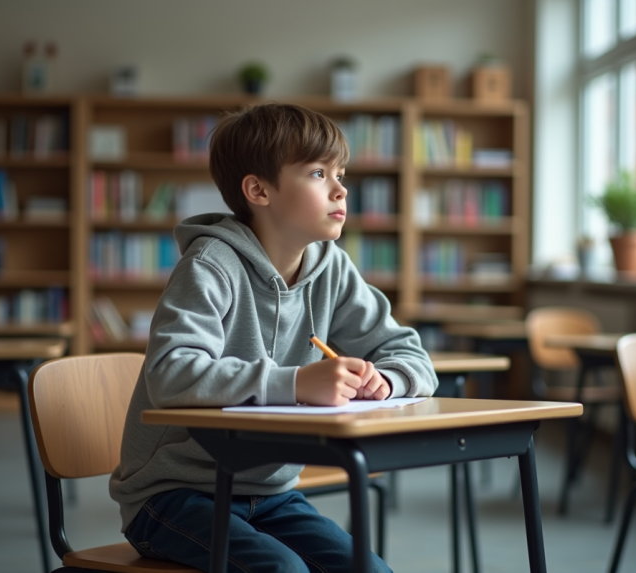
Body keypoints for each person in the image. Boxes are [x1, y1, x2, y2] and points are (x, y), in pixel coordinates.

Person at [110, 102, 438, 573]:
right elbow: (171, 373)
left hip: (269, 494)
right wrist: (298, 382)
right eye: (318, 173)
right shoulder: (209, 265)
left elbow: (411, 356)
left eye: (341, 172)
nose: (341, 188)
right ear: (259, 190)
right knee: (283, 571)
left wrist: (386, 380)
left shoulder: (332, 269)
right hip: (171, 495)